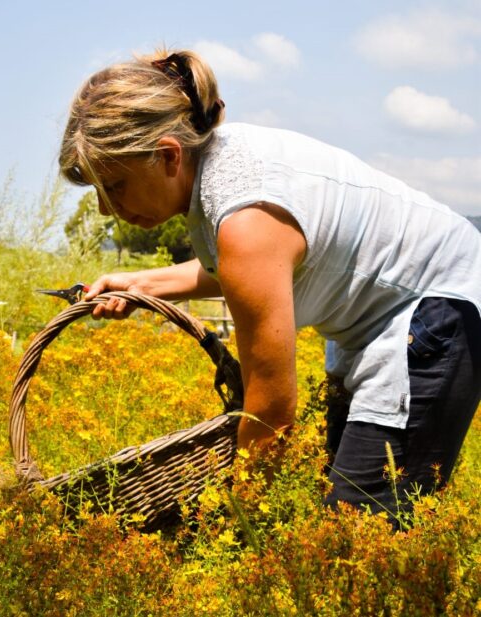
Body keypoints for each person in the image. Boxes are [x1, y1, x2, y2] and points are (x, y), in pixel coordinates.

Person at [58, 49, 481, 527]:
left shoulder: (246, 217)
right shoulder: (219, 168)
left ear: (168, 155)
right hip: (382, 319)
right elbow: (234, 271)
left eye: (113, 186)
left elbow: (272, 411)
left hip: (433, 312)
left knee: (361, 527)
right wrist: (141, 283)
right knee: (345, 511)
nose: (105, 209)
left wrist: (233, 520)